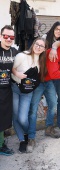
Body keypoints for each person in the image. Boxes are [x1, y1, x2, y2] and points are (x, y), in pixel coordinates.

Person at [26, 32, 60, 153]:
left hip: (49, 81)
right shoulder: (55, 51)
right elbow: (54, 73)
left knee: (53, 106)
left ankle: (49, 128)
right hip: (39, 81)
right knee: (33, 109)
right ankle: (31, 137)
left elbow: (58, 45)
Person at [11, 37, 47, 153]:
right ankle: (22, 139)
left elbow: (38, 79)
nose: (38, 47)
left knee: (22, 118)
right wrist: (17, 73)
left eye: (41, 46)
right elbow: (11, 68)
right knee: (15, 117)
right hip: (15, 88)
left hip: (28, 91)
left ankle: (28, 133)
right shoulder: (22, 55)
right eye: (37, 44)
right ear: (33, 44)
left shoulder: (42, 62)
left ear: (44, 49)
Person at [0, 25, 18, 156]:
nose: (8, 39)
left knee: (3, 118)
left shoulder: (15, 52)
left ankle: (1, 143)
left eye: (11, 37)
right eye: (6, 36)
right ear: (1, 36)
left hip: (7, 90)